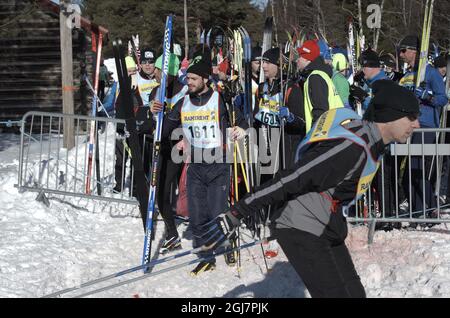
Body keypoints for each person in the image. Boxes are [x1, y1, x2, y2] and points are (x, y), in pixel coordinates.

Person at [207, 80, 420, 297]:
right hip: (300, 226)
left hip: (325, 224)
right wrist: (239, 211)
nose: (416, 125)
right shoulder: (351, 146)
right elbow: (293, 177)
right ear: (391, 115)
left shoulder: (372, 143)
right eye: (411, 117)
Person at [150, 53, 248, 275]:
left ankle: (229, 242)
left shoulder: (220, 100)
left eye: (193, 78)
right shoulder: (183, 103)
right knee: (197, 215)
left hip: (218, 165)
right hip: (195, 166)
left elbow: (241, 121)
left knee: (217, 212)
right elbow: (166, 129)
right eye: (187, 78)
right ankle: (207, 257)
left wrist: (240, 130)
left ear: (205, 79)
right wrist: (156, 114)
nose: (188, 82)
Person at [398, 35, 447, 214]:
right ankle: (418, 212)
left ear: (414, 52)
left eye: (404, 50)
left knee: (416, 170)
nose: (401, 54)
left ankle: (433, 208)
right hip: (408, 126)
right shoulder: (407, 75)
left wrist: (428, 96)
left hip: (425, 126)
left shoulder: (431, 72)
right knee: (409, 174)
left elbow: (443, 99)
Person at [146, 53, 187, 254]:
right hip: (161, 147)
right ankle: (172, 234)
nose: (154, 72)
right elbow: (151, 120)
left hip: (179, 147)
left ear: (168, 71)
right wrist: (151, 112)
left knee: (180, 192)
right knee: (161, 191)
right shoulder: (156, 91)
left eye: (158, 69)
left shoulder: (183, 90)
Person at [297, 40, 344, 135]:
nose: (297, 60)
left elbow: (321, 111)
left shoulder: (315, 77)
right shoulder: (320, 74)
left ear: (307, 58)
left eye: (300, 56)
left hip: (326, 134)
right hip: (333, 130)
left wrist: (315, 137)